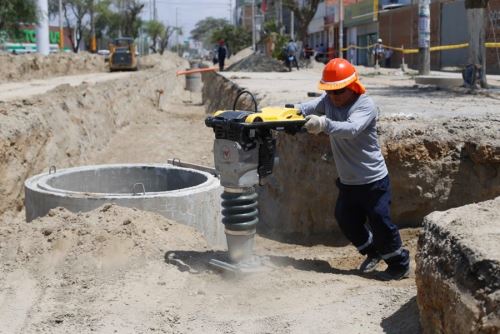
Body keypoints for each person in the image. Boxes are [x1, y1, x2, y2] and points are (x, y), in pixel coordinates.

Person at [299, 58, 410, 281]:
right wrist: (284, 113)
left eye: (338, 91)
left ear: (352, 87)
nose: (333, 96)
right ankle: (373, 251)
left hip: (373, 181)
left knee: (380, 220)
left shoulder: (364, 105)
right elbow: (304, 108)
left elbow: (351, 129)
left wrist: (323, 124)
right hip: (348, 182)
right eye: (329, 91)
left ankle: (399, 264)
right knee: (345, 218)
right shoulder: (329, 101)